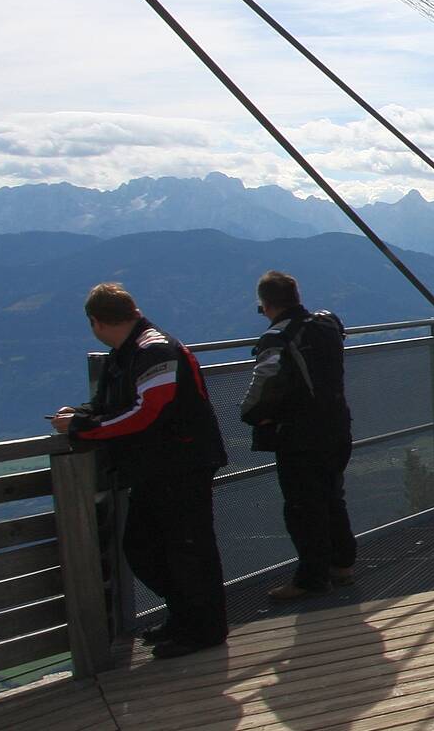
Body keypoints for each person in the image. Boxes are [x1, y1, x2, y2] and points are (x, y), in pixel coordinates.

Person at [49, 283, 228, 659]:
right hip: (159, 466)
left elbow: (148, 412)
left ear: (96, 322)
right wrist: (82, 415)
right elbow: (118, 406)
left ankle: (203, 630)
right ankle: (184, 617)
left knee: (187, 549)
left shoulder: (153, 349)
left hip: (181, 464)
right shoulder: (126, 353)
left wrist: (85, 428)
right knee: (147, 547)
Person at [240, 271, 356, 600]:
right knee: (333, 496)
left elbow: (265, 383)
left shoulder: (278, 337)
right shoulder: (327, 324)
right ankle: (343, 564)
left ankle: (311, 579)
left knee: (303, 507)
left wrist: (248, 414)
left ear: (266, 305)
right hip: (337, 424)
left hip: (300, 435)